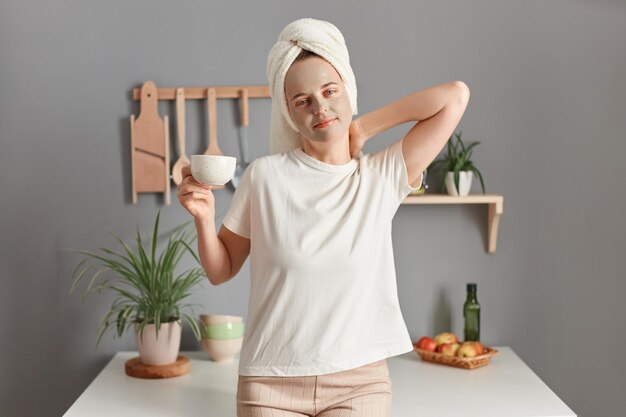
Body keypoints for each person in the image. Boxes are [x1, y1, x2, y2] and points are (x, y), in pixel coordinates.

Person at [177, 18, 469, 417]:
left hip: (359, 384)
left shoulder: (381, 176)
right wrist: (204, 217)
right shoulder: (264, 176)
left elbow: (455, 96)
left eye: (330, 91)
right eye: (302, 101)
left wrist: (364, 126)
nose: (320, 107)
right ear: (289, 114)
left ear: (348, 89)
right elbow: (221, 268)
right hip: (268, 382)